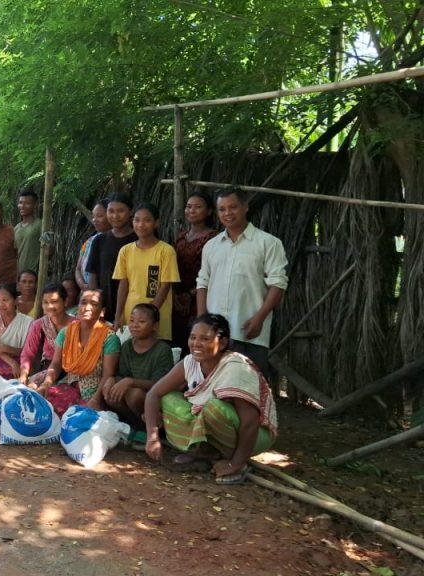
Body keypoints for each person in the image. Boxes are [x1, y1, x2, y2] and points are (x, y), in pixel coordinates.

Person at [144, 313, 278, 484]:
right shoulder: (190, 362)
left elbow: (250, 421)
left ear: (223, 343)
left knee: (214, 408)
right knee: (168, 398)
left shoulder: (235, 367)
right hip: (224, 428)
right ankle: (206, 452)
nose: (196, 344)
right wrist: (152, 438)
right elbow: (153, 394)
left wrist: (236, 463)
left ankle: (233, 458)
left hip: (256, 436)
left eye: (205, 339)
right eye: (193, 337)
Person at [196, 189, 288, 374]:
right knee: (214, 386)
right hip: (214, 334)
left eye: (233, 207)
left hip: (249, 331)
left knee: (249, 385)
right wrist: (202, 321)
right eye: (222, 209)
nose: (227, 213)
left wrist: (259, 317)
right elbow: (202, 283)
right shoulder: (211, 246)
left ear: (245, 207)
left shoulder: (268, 243)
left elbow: (278, 284)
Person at [35, 289, 121, 415]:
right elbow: (56, 364)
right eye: (83, 302)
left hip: (95, 393)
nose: (86, 307)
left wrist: (95, 400)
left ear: (102, 311)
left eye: (94, 304)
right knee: (40, 406)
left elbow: (108, 376)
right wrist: (46, 384)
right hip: (68, 386)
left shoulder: (109, 338)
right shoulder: (66, 333)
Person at [94, 303, 174, 427]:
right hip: (130, 396)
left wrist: (130, 381)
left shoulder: (163, 350)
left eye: (141, 322)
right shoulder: (127, 346)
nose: (134, 325)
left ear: (155, 326)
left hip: (153, 398)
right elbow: (121, 375)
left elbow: (160, 384)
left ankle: (148, 426)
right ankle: (134, 424)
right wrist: (112, 379)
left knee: (134, 395)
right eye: (131, 320)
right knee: (110, 392)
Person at [112, 203, 180, 340]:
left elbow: (165, 286)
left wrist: (150, 316)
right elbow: (123, 284)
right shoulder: (125, 251)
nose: (141, 225)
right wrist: (118, 315)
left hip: (157, 316)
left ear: (156, 223)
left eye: (147, 220)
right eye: (137, 220)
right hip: (131, 316)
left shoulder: (166, 251)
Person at [173, 191, 217, 352]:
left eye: (197, 207)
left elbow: (213, 274)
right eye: (189, 206)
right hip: (177, 301)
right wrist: (176, 297)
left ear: (209, 211)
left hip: (200, 298)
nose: (191, 210)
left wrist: (189, 295)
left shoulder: (214, 238)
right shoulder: (181, 237)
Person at [86, 193, 137, 322]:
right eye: (111, 211)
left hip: (133, 305)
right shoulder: (99, 240)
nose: (115, 216)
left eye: (120, 211)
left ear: (130, 212)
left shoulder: (139, 240)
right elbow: (92, 273)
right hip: (106, 304)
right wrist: (95, 301)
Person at [19, 283, 75, 387]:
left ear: (65, 302)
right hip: (48, 371)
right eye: (45, 302)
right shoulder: (39, 325)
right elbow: (27, 353)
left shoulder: (76, 325)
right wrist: (24, 374)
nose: (49, 306)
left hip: (73, 371)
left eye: (54, 302)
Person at [0, 284, 33, 378]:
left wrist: (5, 348)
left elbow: (26, 351)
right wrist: (12, 363)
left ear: (15, 301)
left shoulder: (27, 322)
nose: (0, 304)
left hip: (20, 359)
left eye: (5, 300)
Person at [75, 200, 110, 289]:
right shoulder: (89, 242)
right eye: (93, 216)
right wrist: (82, 285)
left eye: (99, 216)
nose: (95, 220)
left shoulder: (117, 242)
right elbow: (78, 268)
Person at [14, 191, 42, 274]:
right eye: (20, 203)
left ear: (35, 205)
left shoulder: (40, 225)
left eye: (27, 203)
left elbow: (49, 248)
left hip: (34, 274)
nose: (22, 206)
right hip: (18, 275)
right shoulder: (16, 228)